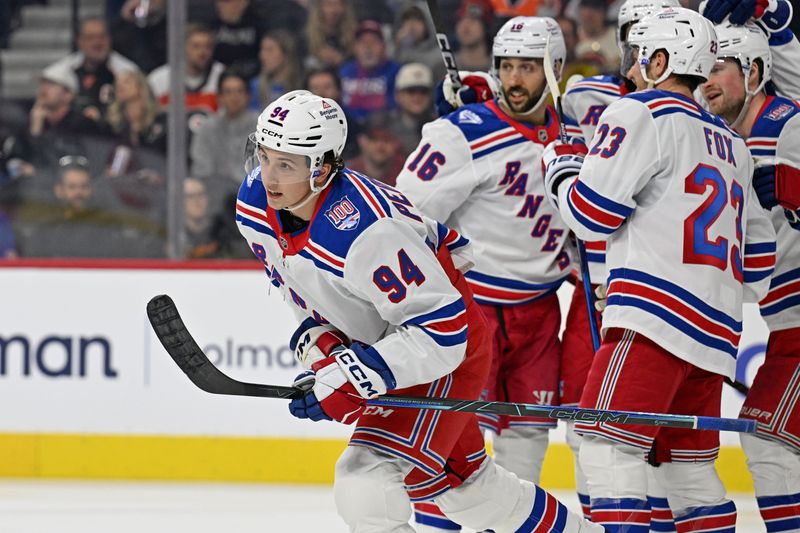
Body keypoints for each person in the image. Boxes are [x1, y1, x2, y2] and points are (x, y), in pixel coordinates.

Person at [235, 89, 604, 533]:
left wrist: (351, 374)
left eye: (286, 165)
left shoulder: (367, 230)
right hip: (398, 346)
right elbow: (301, 288)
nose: (268, 176)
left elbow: (443, 330)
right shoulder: (255, 201)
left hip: (445, 351)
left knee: (364, 483)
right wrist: (321, 345)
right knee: (470, 494)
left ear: (323, 169)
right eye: (264, 156)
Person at [542, 7, 776, 531]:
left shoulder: (639, 112)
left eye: (640, 56)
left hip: (653, 323)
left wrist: (560, 167)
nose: (632, 67)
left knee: (605, 449)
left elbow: (590, 214)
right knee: (688, 471)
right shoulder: (734, 144)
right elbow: (759, 266)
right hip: (718, 334)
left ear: (662, 59)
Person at [396, 17, 574, 532]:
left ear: (555, 69)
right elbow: (403, 213)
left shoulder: (578, 131)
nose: (514, 79)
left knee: (528, 435)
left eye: (528, 67)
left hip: (540, 313)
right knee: (451, 436)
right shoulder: (463, 133)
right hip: (473, 310)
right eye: (506, 67)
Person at [559, 0, 680, 526]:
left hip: (652, 290)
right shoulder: (584, 95)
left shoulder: (686, 105)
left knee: (645, 438)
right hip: (595, 286)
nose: (636, 50)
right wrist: (478, 96)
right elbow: (531, 116)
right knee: (586, 429)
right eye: (631, 34)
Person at [701, 21, 800, 533]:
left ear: (755, 74)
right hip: (784, 323)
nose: (706, 80)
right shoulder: (718, 139)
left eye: (719, 68)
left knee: (767, 441)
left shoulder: (788, 126)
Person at [45, 17, 140, 121]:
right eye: (90, 37)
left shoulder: (128, 72)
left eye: (102, 37)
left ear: (110, 39)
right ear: (79, 41)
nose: (97, 43)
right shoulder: (61, 71)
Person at [148, 24, 227, 130]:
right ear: (183, 48)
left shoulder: (222, 77)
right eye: (196, 46)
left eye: (207, 47)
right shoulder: (158, 79)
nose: (202, 53)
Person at [191, 70, 259, 186]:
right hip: (213, 191)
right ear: (220, 97)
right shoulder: (207, 127)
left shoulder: (261, 128)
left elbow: (263, 170)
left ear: (248, 96)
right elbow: (201, 169)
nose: (234, 97)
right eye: (228, 92)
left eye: (239, 91)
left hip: (251, 192)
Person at [339, 20, 401, 122]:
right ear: (355, 47)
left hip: (385, 126)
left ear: (384, 46)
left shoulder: (396, 72)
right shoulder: (344, 71)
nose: (368, 47)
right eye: (363, 42)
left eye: (374, 42)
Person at [104, 70, 167, 153]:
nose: (119, 85)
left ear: (140, 87)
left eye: (126, 82)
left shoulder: (160, 120)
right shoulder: (111, 122)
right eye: (117, 83)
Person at [248, 31, 305, 111]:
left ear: (286, 54)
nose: (262, 55)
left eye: (269, 50)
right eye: (262, 50)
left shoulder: (303, 84)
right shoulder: (255, 86)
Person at [388, 63, 436, 156]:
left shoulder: (439, 125)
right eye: (411, 91)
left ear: (430, 95)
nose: (417, 97)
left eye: (423, 91)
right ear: (398, 95)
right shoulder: (386, 127)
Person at [347, 113, 406, 186]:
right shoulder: (347, 174)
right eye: (374, 139)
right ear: (362, 141)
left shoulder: (405, 173)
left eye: (386, 139)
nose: (380, 145)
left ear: (396, 143)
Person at [305, 0, 358, 70]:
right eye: (329, 4)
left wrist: (341, 62)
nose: (334, 10)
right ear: (319, 7)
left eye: (339, 4)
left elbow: (360, 68)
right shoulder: (305, 38)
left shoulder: (356, 36)